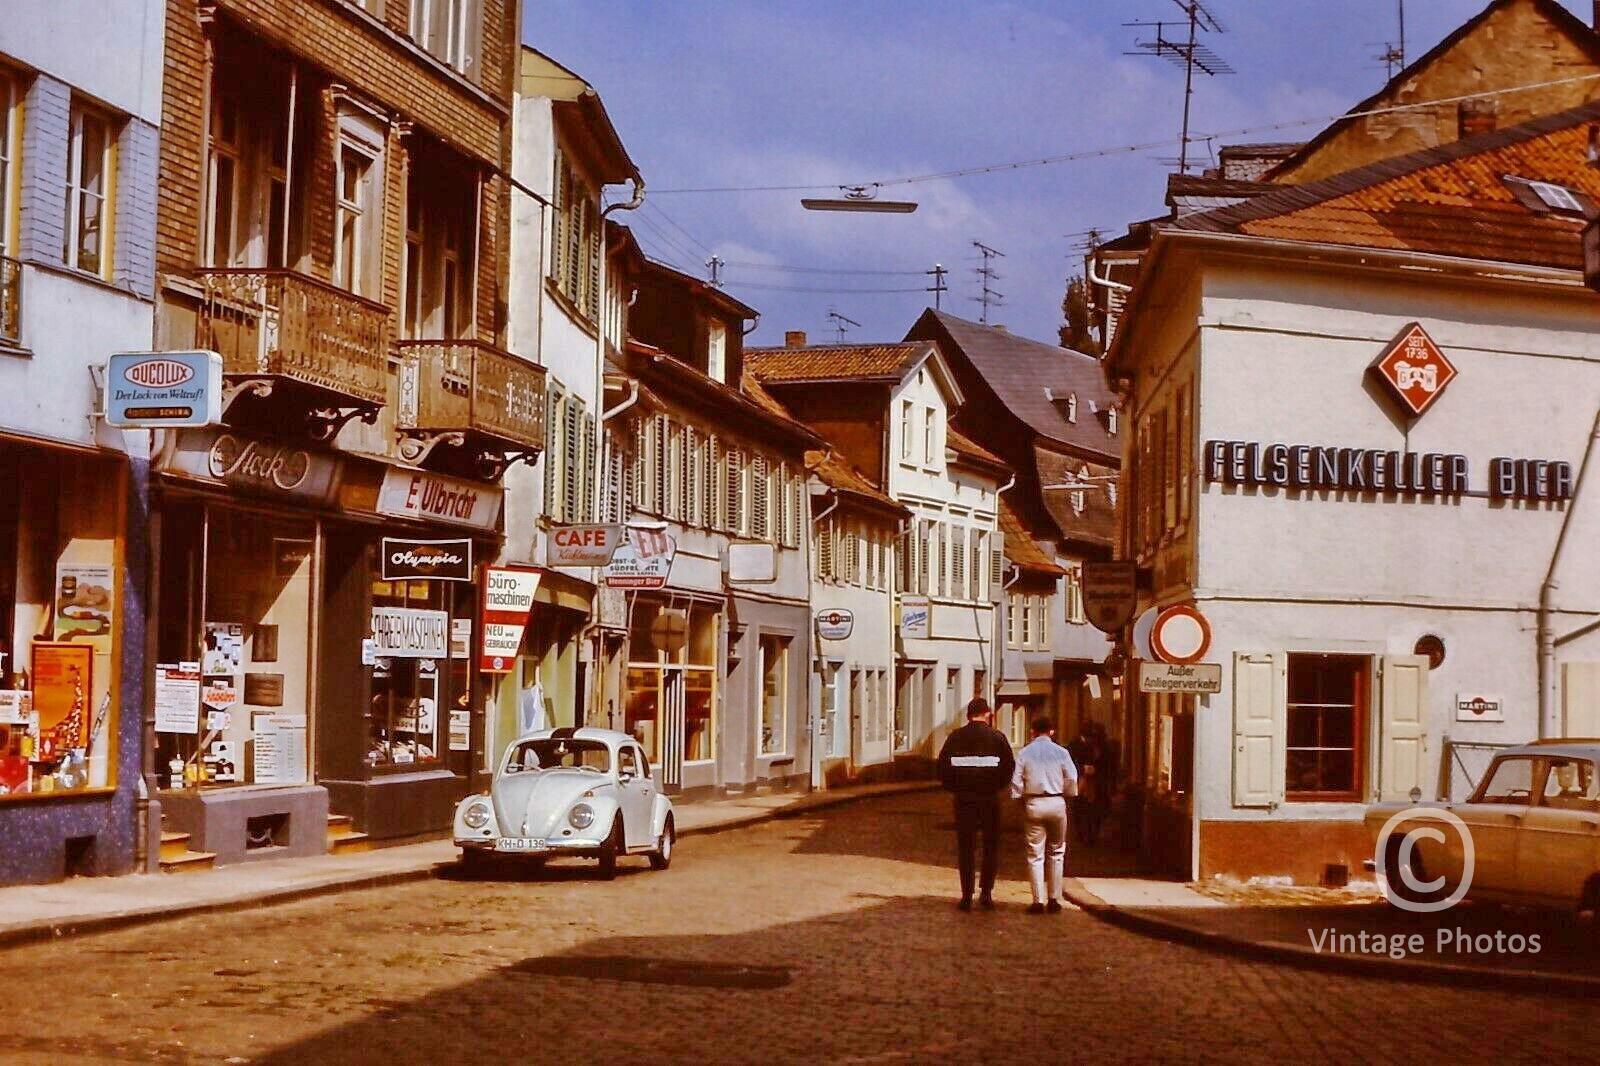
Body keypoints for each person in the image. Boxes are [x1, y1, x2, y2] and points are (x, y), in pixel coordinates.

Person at [936, 697, 1015, 911]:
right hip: (989, 798)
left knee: (966, 847)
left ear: (968, 715)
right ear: (987, 714)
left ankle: (966, 894)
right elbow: (1008, 768)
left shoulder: (955, 737)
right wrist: (995, 786)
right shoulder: (997, 738)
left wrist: (956, 788)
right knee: (990, 846)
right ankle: (986, 893)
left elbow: (943, 767)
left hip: (964, 799)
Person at [1012, 714, 1078, 914]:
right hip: (1057, 801)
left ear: (1032, 731)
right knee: (1057, 852)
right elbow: (1072, 777)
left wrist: (1020, 799)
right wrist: (1067, 794)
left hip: (1034, 801)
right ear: (1052, 731)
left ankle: (1037, 900)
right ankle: (1054, 899)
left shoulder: (1024, 753)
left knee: (1035, 854)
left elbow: (1016, 781)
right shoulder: (1061, 752)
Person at [1068, 720, 1111, 845]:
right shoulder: (1075, 745)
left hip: (1097, 782)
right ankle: (1081, 833)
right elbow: (1070, 762)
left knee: (1095, 810)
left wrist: (1098, 771)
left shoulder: (1101, 746)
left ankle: (1092, 834)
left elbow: (1107, 764)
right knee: (1080, 808)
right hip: (1080, 781)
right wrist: (1081, 769)